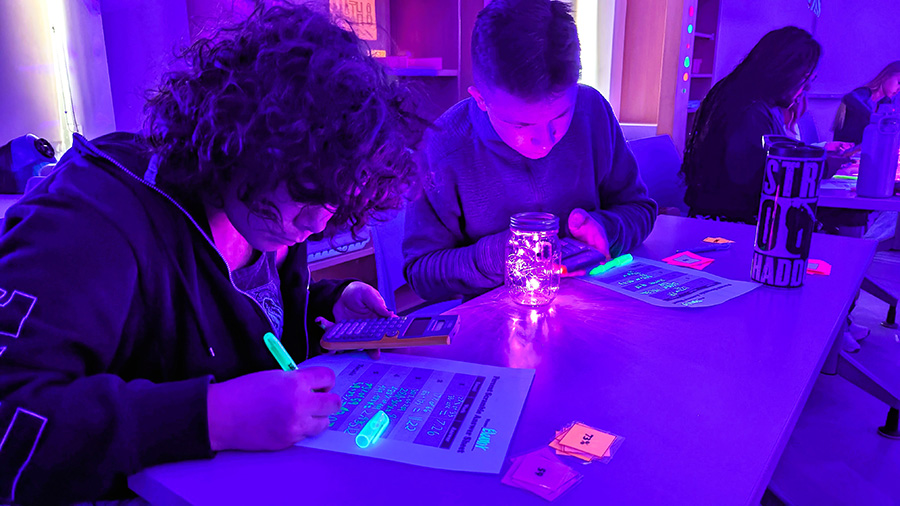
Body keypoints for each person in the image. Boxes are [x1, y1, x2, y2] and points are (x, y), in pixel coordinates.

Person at [0, 4, 425, 504]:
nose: (318, 226)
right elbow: (11, 419)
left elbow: (233, 316)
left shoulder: (269, 211)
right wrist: (210, 416)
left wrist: (328, 304)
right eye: (307, 198)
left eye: (333, 204)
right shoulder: (90, 220)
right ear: (242, 143)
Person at [402, 0, 657, 302]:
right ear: (481, 100)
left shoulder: (593, 112)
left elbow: (641, 209)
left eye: (561, 117)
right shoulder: (442, 148)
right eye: (521, 125)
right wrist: (494, 257)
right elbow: (421, 272)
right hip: (496, 324)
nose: (545, 141)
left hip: (596, 303)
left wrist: (607, 229)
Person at [681, 27, 822, 224]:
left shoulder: (743, 97)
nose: (807, 87)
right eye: (805, 77)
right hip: (731, 227)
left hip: (718, 218)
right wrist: (817, 168)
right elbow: (755, 184)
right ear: (783, 70)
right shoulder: (751, 113)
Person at [833, 61, 900, 144]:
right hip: (845, 150)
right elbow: (849, 98)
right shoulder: (863, 94)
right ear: (885, 77)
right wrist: (873, 117)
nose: (899, 89)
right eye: (899, 83)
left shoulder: (885, 103)